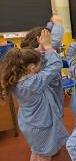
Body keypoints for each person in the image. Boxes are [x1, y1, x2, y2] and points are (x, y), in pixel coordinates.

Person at [0, 30, 68, 161]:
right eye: (38, 65)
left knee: (37, 150)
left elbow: (33, 59)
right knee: (44, 154)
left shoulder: (17, 78)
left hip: (29, 123)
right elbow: (55, 65)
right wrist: (48, 47)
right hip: (41, 125)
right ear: (31, 68)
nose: (41, 66)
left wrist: (41, 48)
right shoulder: (33, 83)